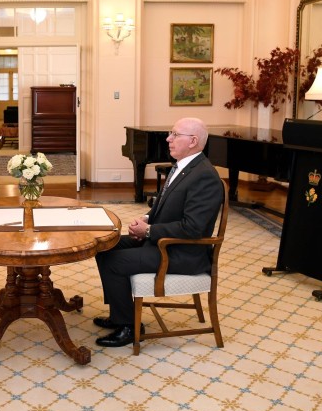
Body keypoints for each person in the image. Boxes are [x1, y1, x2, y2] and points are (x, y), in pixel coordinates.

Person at [93, 117, 224, 347]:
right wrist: (146, 220)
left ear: (193, 141)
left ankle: (129, 327)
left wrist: (150, 230)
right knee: (104, 247)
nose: (168, 138)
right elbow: (166, 207)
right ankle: (120, 315)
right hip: (163, 241)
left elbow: (193, 228)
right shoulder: (183, 166)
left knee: (115, 261)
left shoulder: (204, 176)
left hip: (181, 252)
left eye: (175, 134)